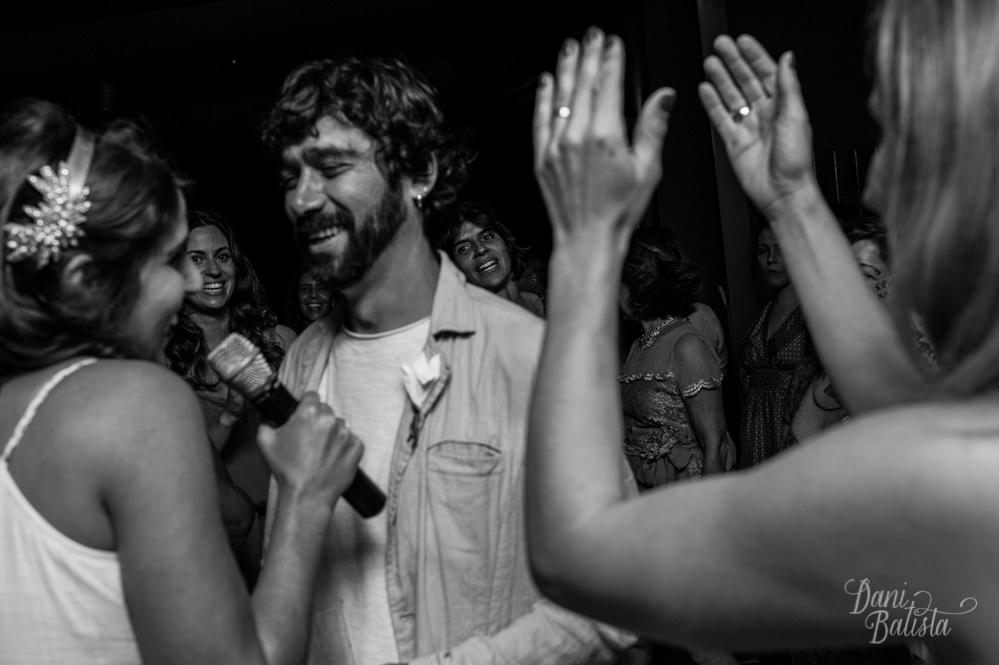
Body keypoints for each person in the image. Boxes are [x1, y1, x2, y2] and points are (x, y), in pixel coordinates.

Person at [526, 9, 999, 663]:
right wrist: (792, 202)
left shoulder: (963, 485)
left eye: (902, 137)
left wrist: (585, 238)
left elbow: (575, 550)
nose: (881, 181)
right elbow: (910, 417)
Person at [261, 55, 632, 665]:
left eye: (331, 168)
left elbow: (611, 599)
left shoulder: (528, 358)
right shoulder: (299, 366)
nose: (303, 199)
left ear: (419, 173)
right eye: (289, 176)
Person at [0, 99, 362, 664]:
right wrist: (306, 496)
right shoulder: (136, 401)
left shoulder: (18, 406)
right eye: (171, 260)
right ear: (86, 279)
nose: (195, 278)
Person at [166, 210, 296, 585]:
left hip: (295, 519)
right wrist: (229, 417)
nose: (213, 270)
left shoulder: (279, 341)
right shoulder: (164, 365)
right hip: (225, 540)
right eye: (196, 259)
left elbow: (312, 436)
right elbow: (185, 474)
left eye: (222, 256)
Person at [619, 226, 733, 488]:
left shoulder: (687, 345)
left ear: (638, 285)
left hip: (684, 491)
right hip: (647, 489)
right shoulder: (638, 345)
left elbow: (717, 445)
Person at [738, 222, 810, 468]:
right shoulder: (763, 312)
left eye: (781, 249)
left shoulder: (813, 311)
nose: (771, 259)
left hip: (793, 428)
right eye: (762, 251)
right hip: (755, 429)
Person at [440, 201, 546, 317]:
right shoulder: (473, 331)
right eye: (464, 248)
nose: (480, 249)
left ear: (507, 246)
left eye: (486, 237)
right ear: (455, 268)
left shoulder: (555, 304)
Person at [284, 267, 335, 333]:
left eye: (322, 288)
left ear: (333, 300)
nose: (313, 295)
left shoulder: (347, 338)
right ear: (297, 297)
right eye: (305, 289)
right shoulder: (286, 337)